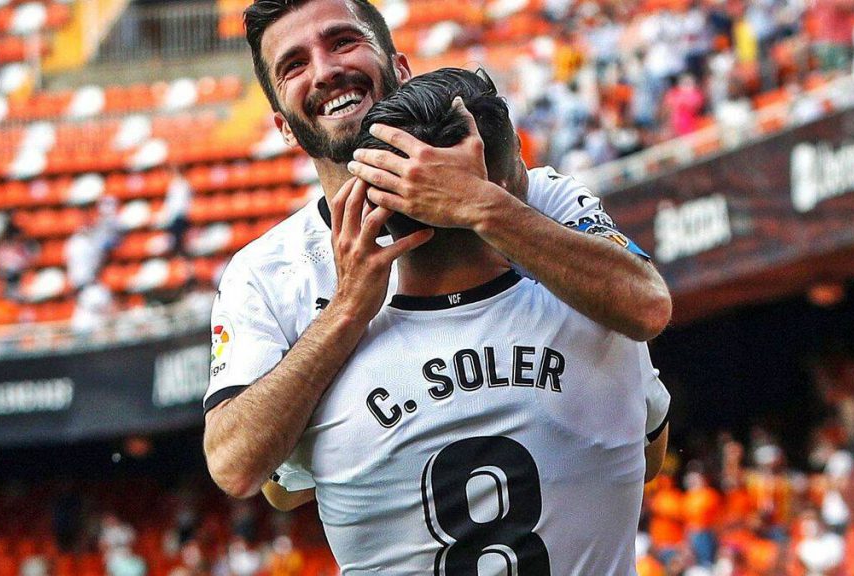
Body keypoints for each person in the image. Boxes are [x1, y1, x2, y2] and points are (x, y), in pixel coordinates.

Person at [203, 0, 672, 500]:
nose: (325, 71)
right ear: (282, 126)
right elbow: (245, 473)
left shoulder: (532, 194)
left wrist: (485, 208)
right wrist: (346, 312)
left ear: (401, 69)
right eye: (294, 65)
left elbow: (648, 314)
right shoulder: (265, 271)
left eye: (343, 41)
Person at [259, 67, 671, 574]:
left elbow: (279, 490)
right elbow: (650, 457)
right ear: (498, 186)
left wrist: (343, 310)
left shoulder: (325, 384)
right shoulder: (600, 323)